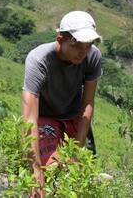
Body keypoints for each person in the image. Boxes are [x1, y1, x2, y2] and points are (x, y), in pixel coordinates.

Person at [21, 11, 102, 197]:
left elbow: (88, 102)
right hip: (46, 118)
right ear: (60, 40)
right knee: (52, 171)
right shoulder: (38, 60)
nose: (83, 52)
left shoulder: (92, 56)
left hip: (74, 116)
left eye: (88, 46)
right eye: (77, 46)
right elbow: (29, 118)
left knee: (80, 173)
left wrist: (77, 147)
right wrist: (35, 169)